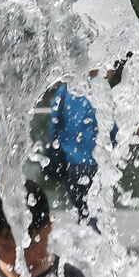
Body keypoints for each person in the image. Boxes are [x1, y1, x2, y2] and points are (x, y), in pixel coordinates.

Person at [45, 75, 99, 223]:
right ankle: (94, 240)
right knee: (95, 208)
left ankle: (84, 237)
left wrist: (61, 146)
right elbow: (110, 127)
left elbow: (53, 125)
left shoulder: (64, 91)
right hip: (94, 161)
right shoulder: (99, 89)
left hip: (70, 162)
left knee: (81, 209)